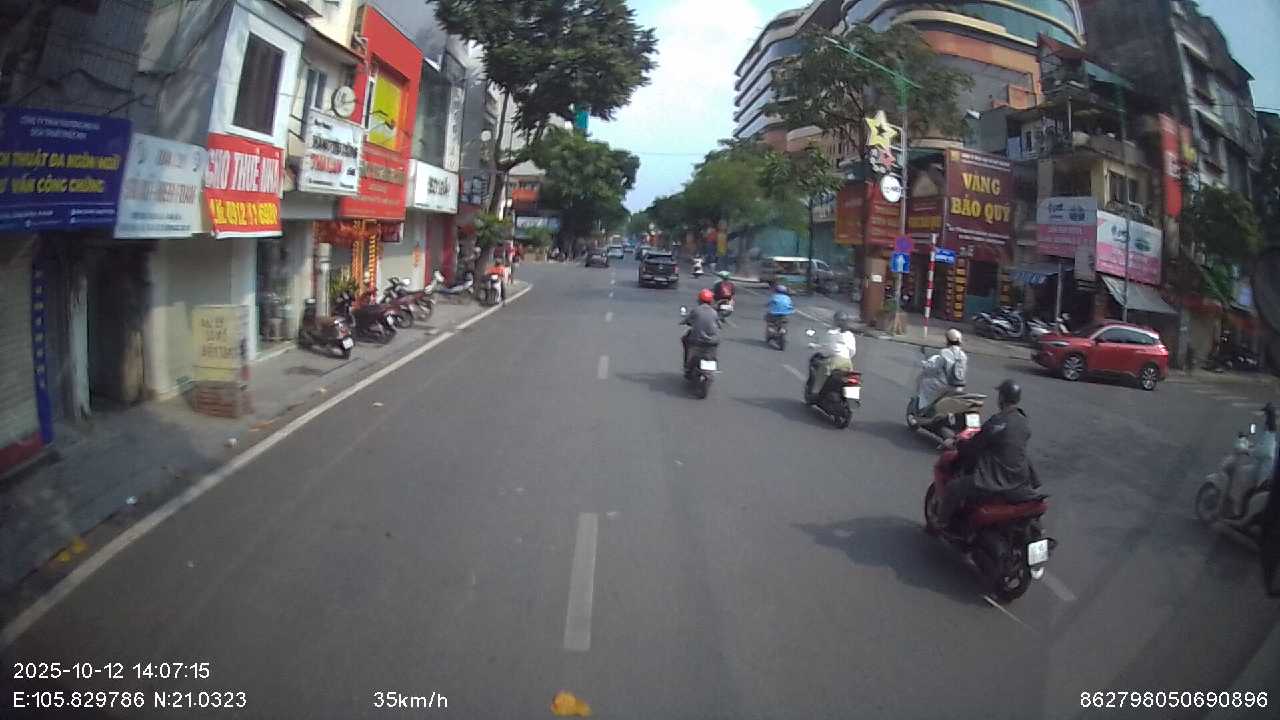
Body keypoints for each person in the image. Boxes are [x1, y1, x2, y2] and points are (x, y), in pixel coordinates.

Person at [938, 379, 1037, 532]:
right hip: (1019, 477)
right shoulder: (1023, 421)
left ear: (1002, 398)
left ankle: (942, 524)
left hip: (995, 478)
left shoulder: (998, 422)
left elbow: (973, 446)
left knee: (953, 487)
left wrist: (956, 444)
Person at [916, 328, 968, 415]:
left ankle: (923, 409)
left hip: (944, 385)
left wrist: (925, 364)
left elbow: (934, 367)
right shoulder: (963, 355)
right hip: (959, 386)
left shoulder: (945, 352)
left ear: (948, 340)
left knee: (925, 383)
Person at [808, 310, 857, 397]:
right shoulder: (850, 335)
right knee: (850, 377)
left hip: (834, 361)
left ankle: (815, 393)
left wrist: (818, 349)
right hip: (847, 362)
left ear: (835, 321)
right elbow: (852, 351)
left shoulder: (832, 333)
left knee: (821, 373)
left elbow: (828, 349)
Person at [681, 289, 721, 375]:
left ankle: (688, 365)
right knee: (713, 349)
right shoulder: (714, 312)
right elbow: (719, 324)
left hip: (697, 340)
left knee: (685, 339)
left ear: (699, 299)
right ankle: (713, 360)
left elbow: (687, 320)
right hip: (713, 341)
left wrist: (683, 322)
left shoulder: (696, 310)